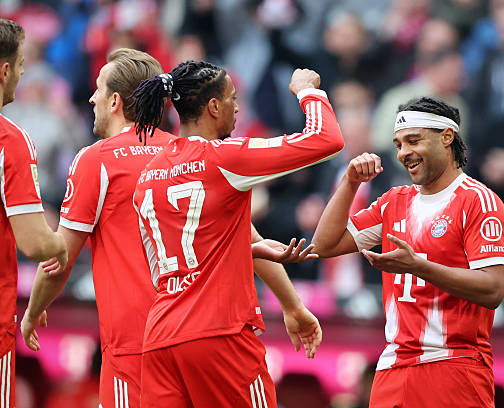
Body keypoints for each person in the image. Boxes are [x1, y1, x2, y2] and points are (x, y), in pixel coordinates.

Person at [21, 49, 320, 408]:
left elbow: (61, 257)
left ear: (115, 101)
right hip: (201, 338)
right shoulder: (186, 154)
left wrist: (34, 309)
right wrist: (292, 304)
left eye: (98, 89)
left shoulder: (96, 160)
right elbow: (245, 237)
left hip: (139, 349)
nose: (92, 97)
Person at [130, 63, 343, 407]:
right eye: (233, 98)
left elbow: (176, 259)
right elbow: (326, 139)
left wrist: (253, 256)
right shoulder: (224, 158)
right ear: (214, 107)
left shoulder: (147, 177)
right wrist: (308, 90)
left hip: (160, 338)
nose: (238, 108)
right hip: (220, 334)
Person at [312, 97, 504, 407]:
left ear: (447, 137)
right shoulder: (394, 201)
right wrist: (350, 183)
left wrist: (418, 266)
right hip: (392, 368)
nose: (403, 153)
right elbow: (324, 245)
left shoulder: (479, 201)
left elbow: (493, 289)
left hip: (453, 364)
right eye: (399, 144)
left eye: (413, 141)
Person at [0, 18, 67, 408]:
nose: (24, 73)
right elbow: (35, 244)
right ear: (5, 70)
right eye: (22, 64)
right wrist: (62, 244)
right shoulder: (11, 141)